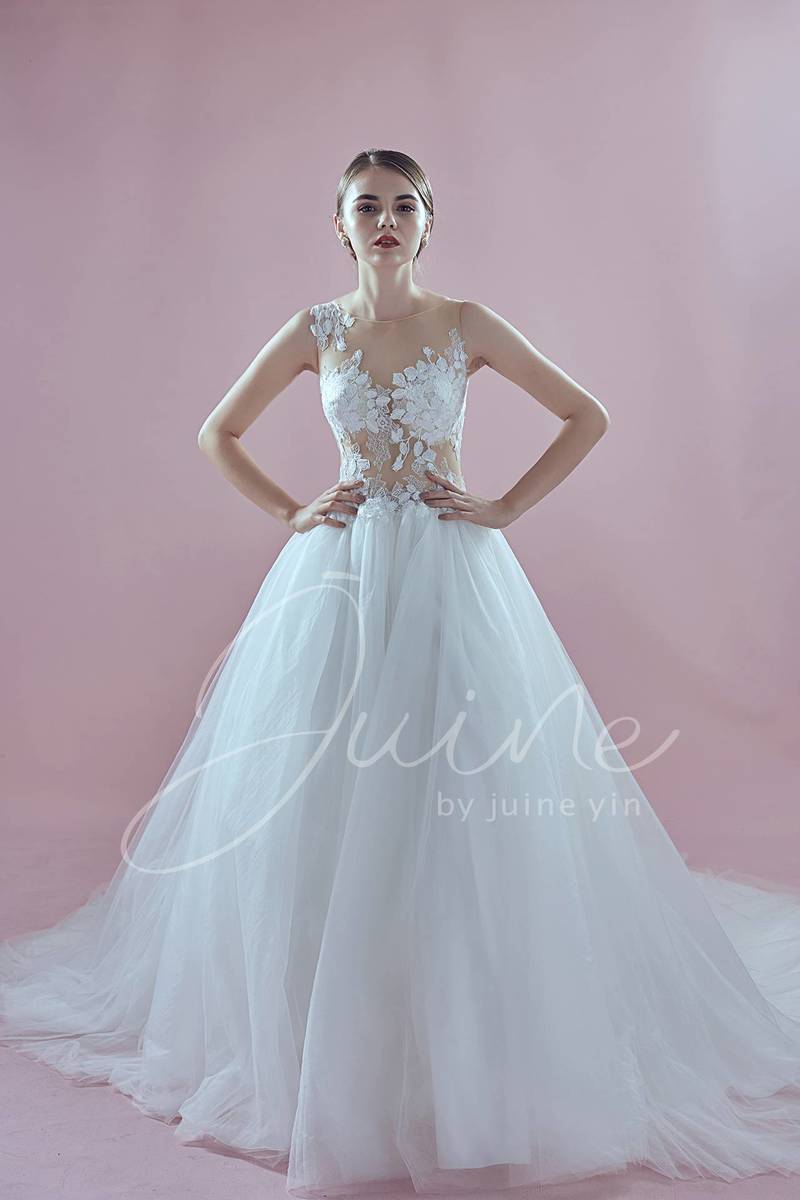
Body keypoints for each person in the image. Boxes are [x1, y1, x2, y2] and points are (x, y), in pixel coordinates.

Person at [2, 147, 800, 1198]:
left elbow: (586, 415)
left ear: (429, 222)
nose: (385, 220)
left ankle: (467, 1041)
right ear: (339, 225)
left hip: (450, 572)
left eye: (403, 205)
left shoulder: (465, 324)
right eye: (366, 206)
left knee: (457, 793)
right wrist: (292, 509)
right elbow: (217, 432)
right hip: (338, 575)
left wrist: (504, 506)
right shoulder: (315, 330)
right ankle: (327, 1038)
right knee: (321, 794)